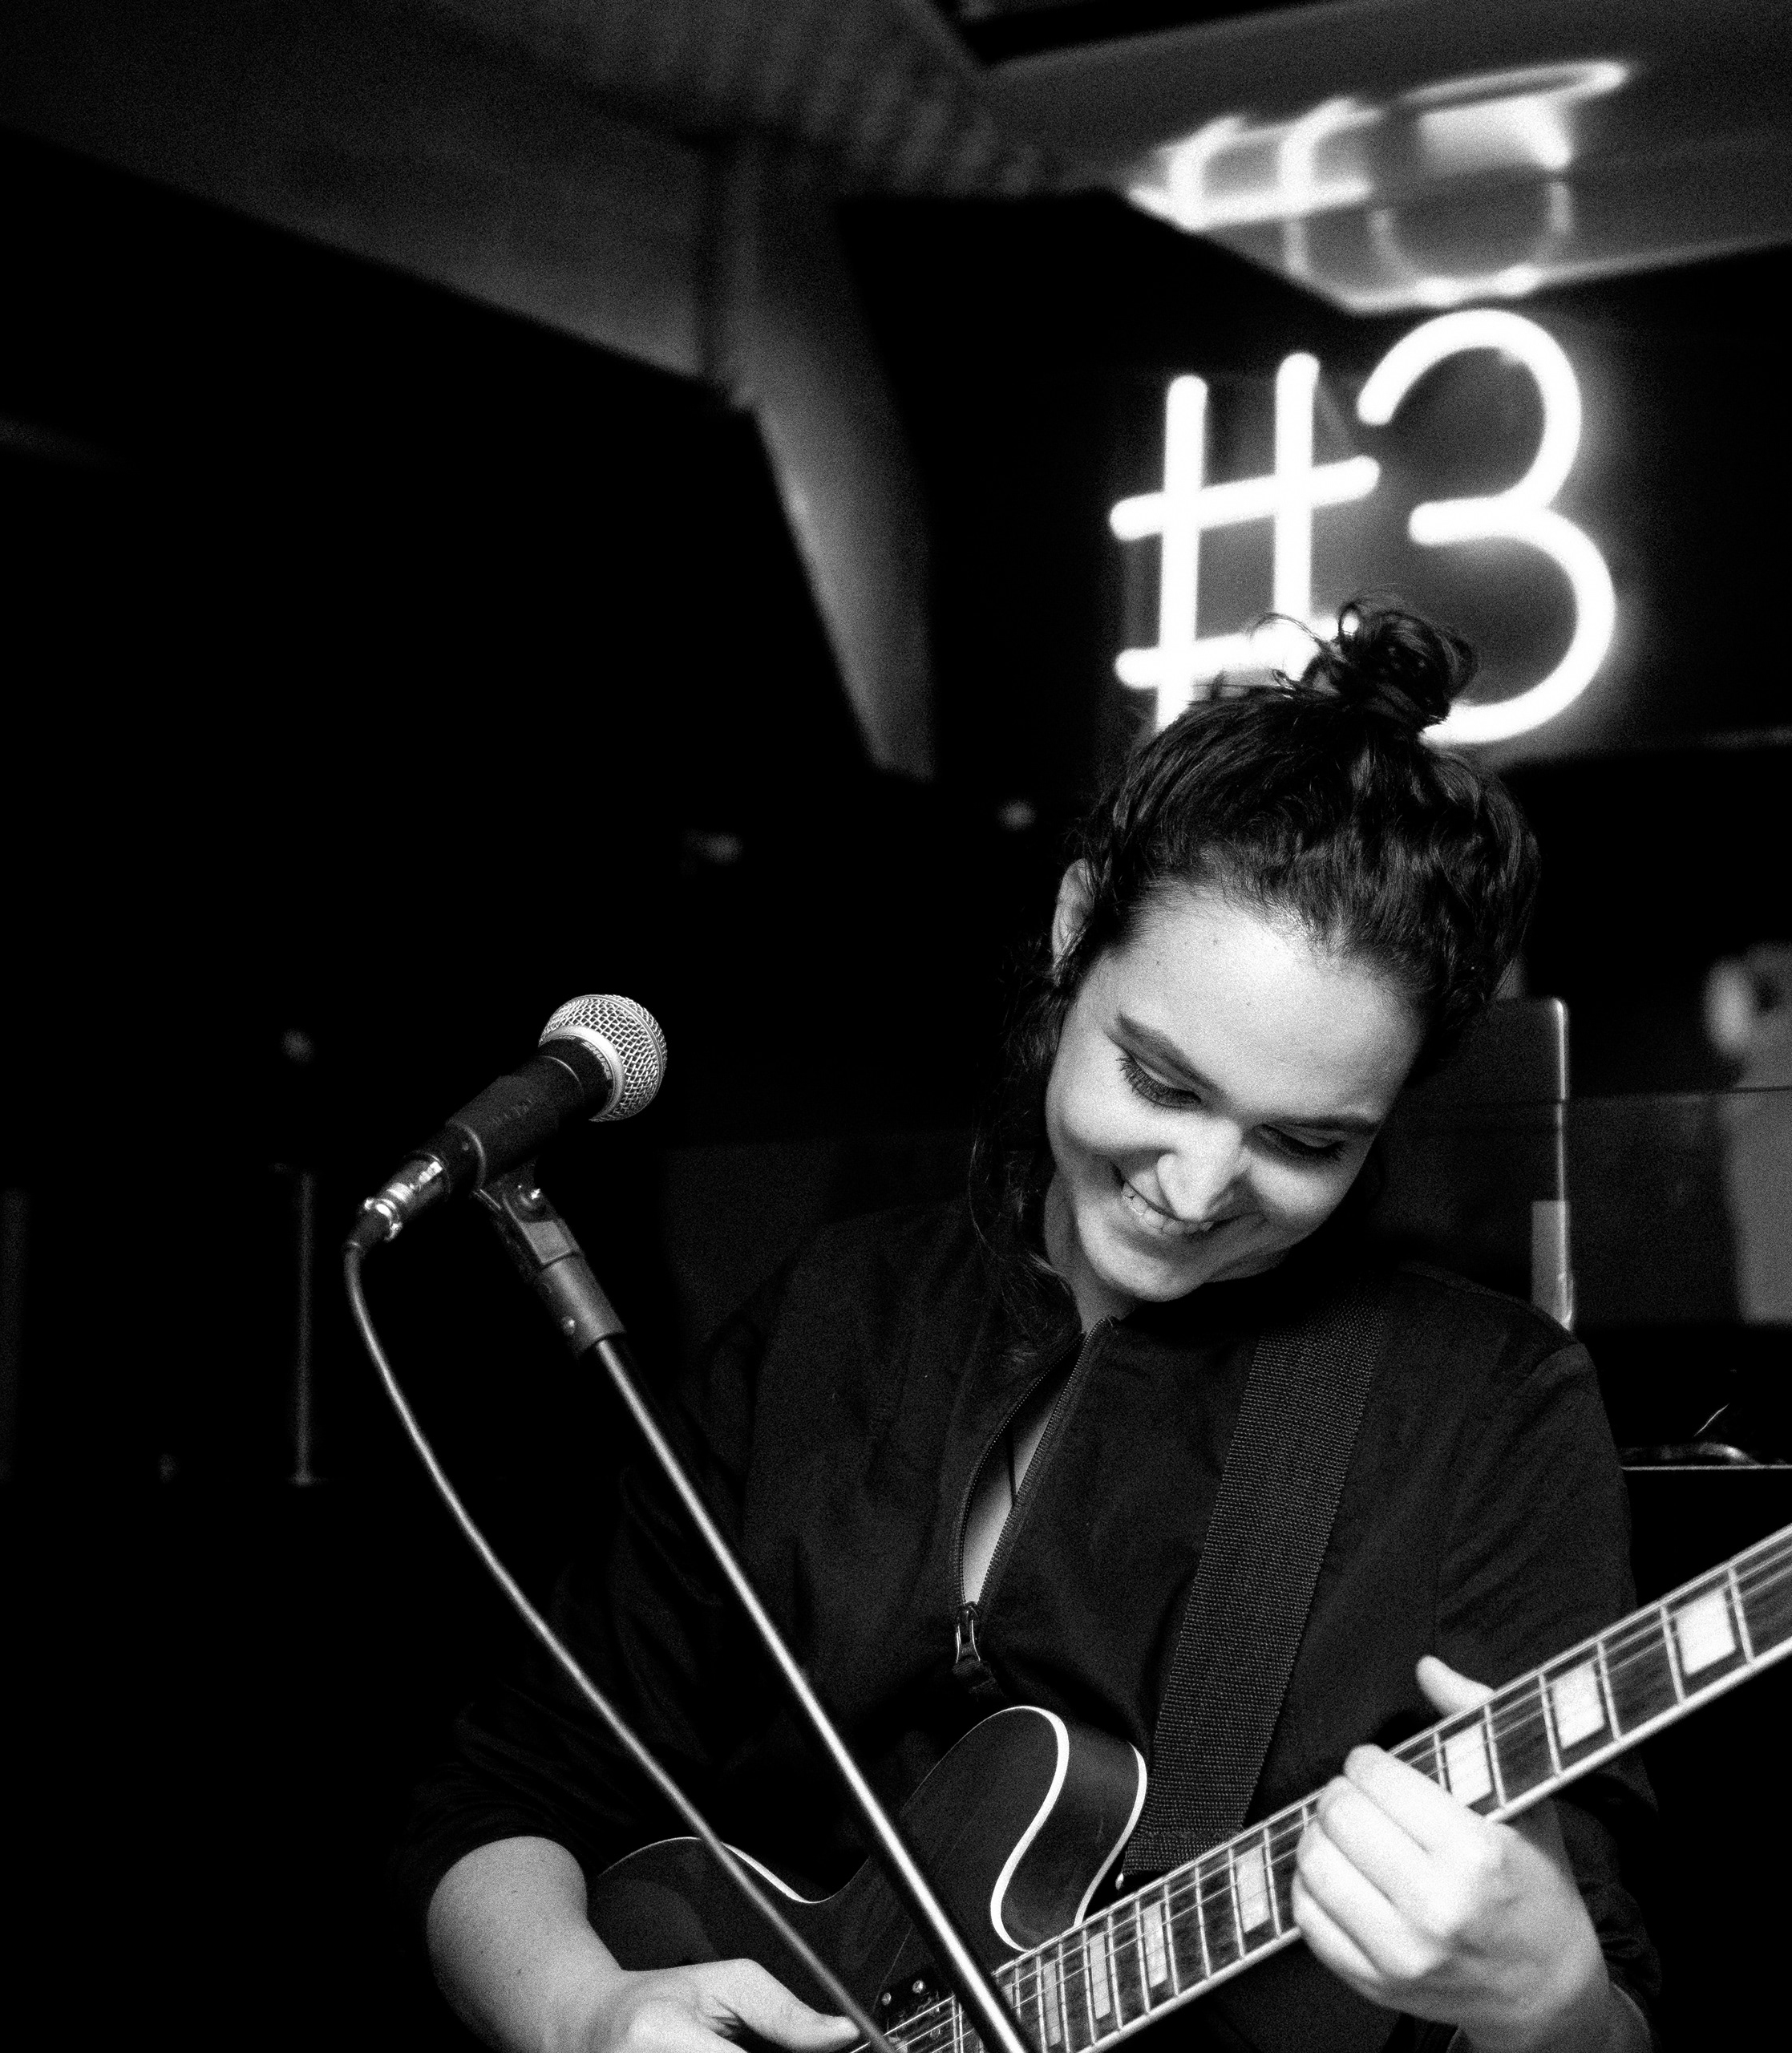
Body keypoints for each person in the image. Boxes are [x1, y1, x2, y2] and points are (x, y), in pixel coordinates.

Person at [398, 608, 1660, 2053]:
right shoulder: (837, 1316)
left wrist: (1547, 2000)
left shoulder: (1483, 1406)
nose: (1199, 1188)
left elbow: (1610, 2003)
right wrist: (588, 2014)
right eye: (1162, 1082)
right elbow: (503, 1800)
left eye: (1306, 1143)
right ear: (1074, 932)